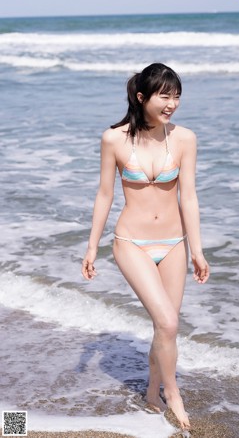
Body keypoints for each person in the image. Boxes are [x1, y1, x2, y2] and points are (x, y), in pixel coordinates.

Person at [81, 62, 210, 430]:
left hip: (173, 244)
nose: (172, 103)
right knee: (168, 321)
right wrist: (92, 247)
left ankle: (152, 392)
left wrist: (197, 250)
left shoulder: (184, 139)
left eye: (177, 96)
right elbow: (105, 195)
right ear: (142, 97)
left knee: (164, 327)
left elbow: (189, 198)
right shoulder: (114, 139)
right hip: (131, 242)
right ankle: (174, 394)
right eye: (164, 96)